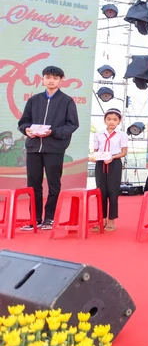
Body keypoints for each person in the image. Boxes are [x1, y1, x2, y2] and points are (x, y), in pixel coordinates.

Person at [18, 66, 80, 231]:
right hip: (33, 148)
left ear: (61, 80)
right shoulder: (34, 100)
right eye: (48, 77)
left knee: (53, 184)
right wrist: (26, 129)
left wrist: (53, 132)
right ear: (43, 79)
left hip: (54, 148)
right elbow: (23, 122)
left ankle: (50, 218)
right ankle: (34, 219)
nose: (51, 80)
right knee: (33, 185)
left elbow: (72, 124)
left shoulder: (67, 101)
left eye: (55, 78)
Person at [91, 108, 128, 232]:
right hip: (101, 163)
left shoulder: (122, 135)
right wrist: (94, 157)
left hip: (114, 163)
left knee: (113, 191)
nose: (111, 122)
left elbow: (123, 152)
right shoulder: (98, 134)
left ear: (119, 121)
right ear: (104, 120)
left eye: (115, 119)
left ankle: (111, 221)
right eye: (109, 119)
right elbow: (96, 151)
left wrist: (112, 157)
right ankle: (101, 220)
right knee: (100, 192)